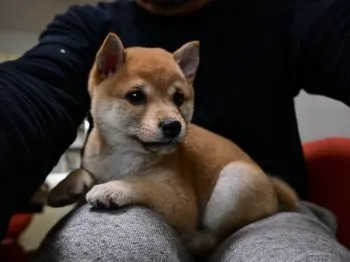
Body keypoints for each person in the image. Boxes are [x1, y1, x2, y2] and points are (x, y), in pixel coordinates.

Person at [1, 0, 350, 260]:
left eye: (177, 98)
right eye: (136, 96)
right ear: (103, 73)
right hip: (143, 214)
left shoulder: (282, 10)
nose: (170, 118)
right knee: (100, 249)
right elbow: (35, 86)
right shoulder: (90, 24)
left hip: (256, 210)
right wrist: (83, 176)